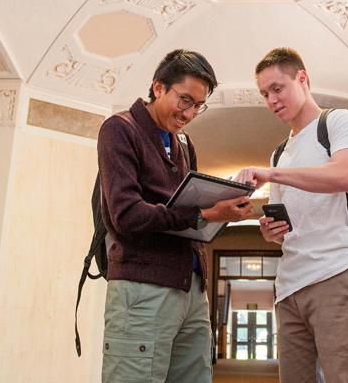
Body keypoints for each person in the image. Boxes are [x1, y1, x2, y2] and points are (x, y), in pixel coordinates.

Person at [99, 49, 253, 383]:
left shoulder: (184, 144)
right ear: (158, 87)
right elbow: (126, 215)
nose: (190, 113)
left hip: (192, 290)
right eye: (184, 100)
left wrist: (220, 212)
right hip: (142, 287)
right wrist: (205, 212)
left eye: (199, 105)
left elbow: (189, 212)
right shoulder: (119, 129)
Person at [235, 47, 348, 383]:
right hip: (289, 287)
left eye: (277, 88)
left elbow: (345, 176)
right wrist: (272, 230)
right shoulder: (280, 152)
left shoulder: (338, 121)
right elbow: (283, 230)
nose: (271, 100)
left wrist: (271, 175)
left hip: (338, 273)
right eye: (264, 94)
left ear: (302, 79)